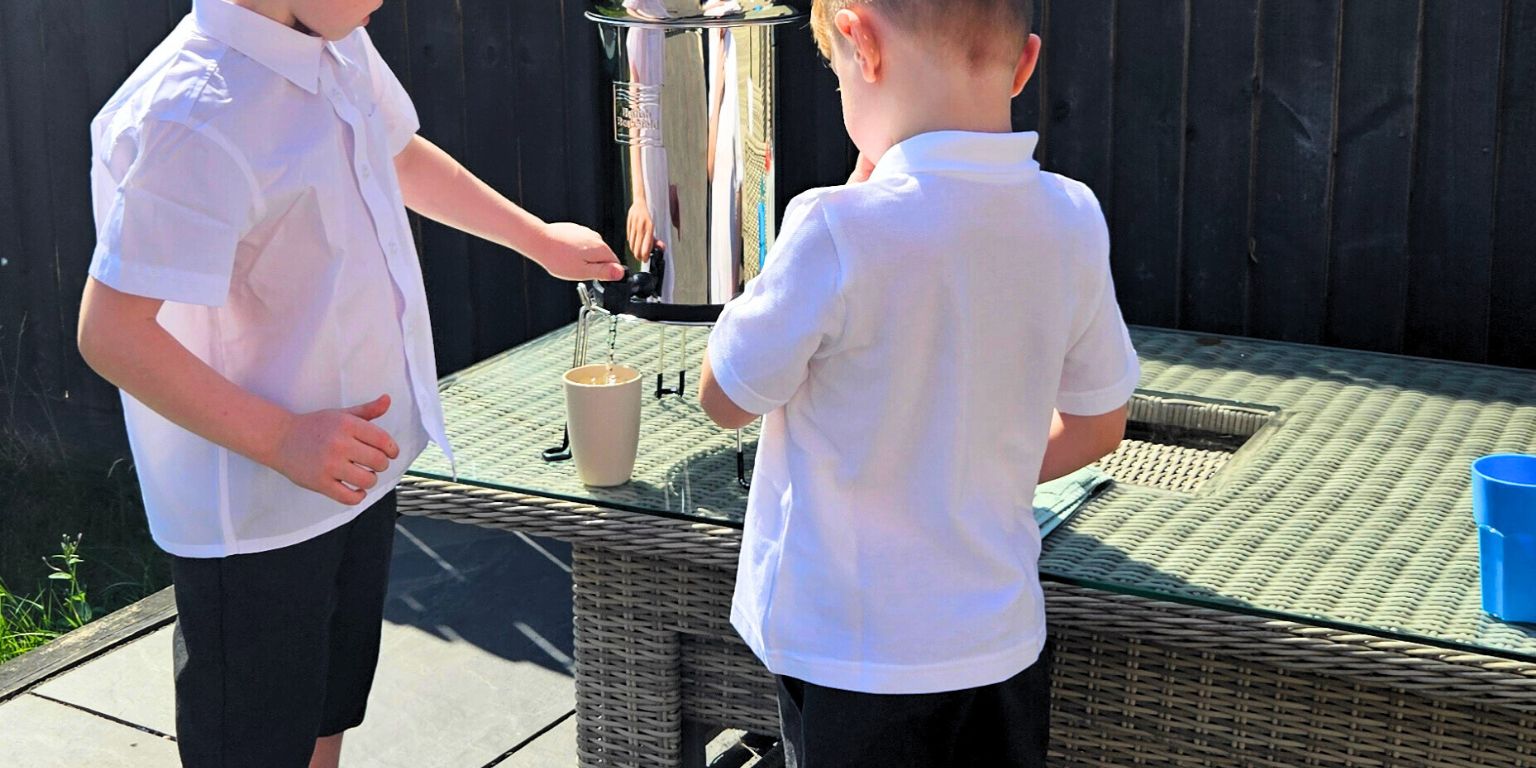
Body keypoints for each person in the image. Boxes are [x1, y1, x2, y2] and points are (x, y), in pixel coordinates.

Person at [74, 1, 623, 766]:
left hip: (351, 468)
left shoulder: (333, 42)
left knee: (327, 715)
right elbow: (112, 334)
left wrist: (537, 240)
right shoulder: (193, 117)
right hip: (259, 517)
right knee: (256, 748)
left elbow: (397, 153)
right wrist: (282, 439)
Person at [698, 0, 1139, 765]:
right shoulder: (1072, 217)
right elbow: (1100, 424)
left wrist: (816, 225)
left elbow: (724, 398)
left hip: (851, 655)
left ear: (860, 42)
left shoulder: (836, 225)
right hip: (998, 645)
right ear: (1024, 64)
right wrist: (974, 470)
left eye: (838, 74)